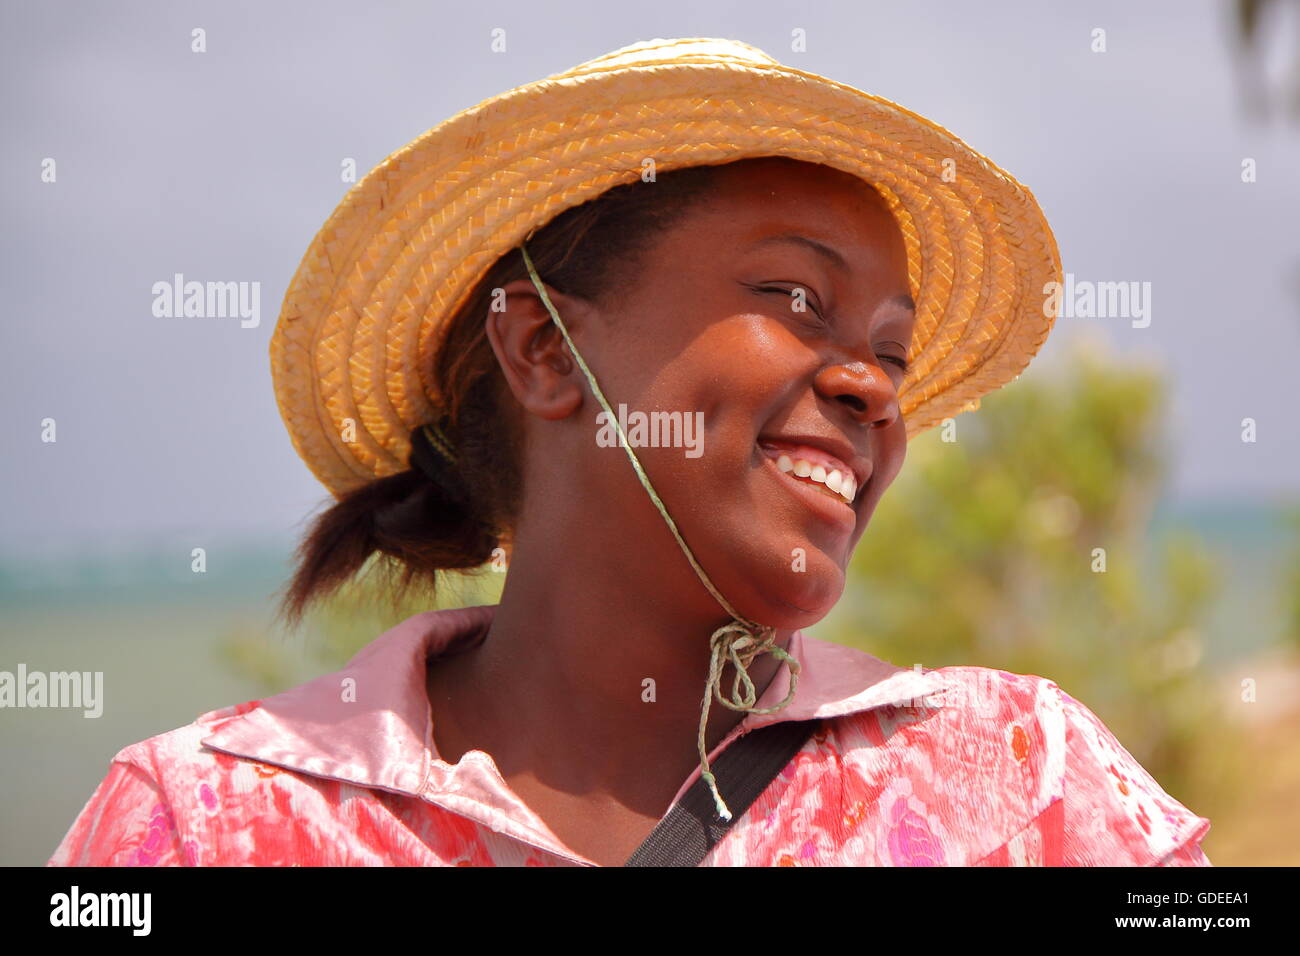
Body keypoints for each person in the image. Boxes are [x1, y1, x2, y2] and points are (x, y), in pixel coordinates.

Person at [47, 37, 1211, 867]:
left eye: (893, 354)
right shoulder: (210, 823)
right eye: (796, 297)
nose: (869, 385)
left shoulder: (1023, 788)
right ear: (545, 348)